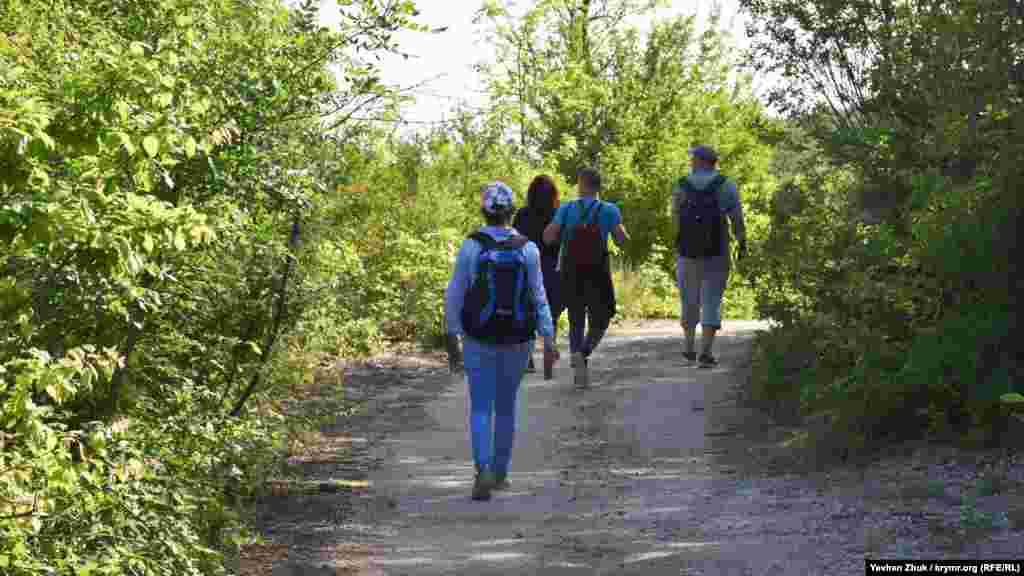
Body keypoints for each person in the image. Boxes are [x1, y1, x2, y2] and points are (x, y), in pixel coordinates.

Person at [445, 181, 557, 501]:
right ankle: (501, 472)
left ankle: (482, 470)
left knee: (481, 406)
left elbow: (455, 293)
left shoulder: (472, 246)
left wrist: (452, 334)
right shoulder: (528, 248)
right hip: (518, 338)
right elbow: (539, 297)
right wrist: (548, 338)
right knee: (506, 406)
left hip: (478, 337)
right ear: (511, 212)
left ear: (483, 211)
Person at [543, 167, 628, 389]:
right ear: (598, 186)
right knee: (602, 317)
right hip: (598, 271)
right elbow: (621, 240)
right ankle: (584, 352)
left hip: (571, 270)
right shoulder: (609, 210)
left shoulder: (566, 208)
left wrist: (562, 235)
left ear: (581, 184)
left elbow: (549, 237)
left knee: (576, 318)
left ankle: (577, 361)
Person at [672, 145, 747, 368]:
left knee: (688, 299)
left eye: (692, 158)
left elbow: (675, 216)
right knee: (712, 300)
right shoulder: (726, 185)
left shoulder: (682, 184)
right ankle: (705, 353)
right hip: (717, 251)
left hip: (687, 252)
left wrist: (678, 242)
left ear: (700, 161)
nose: (690, 162)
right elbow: (737, 219)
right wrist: (742, 243)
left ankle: (688, 349)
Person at [512, 175, 564, 377]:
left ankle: (528, 359)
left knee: (527, 312)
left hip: (527, 268)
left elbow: (515, 242)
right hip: (553, 270)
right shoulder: (558, 214)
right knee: (552, 314)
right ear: (553, 195)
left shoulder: (522, 215)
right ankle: (549, 355)